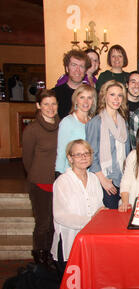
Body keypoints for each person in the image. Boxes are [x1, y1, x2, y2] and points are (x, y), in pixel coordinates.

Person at [51, 139, 104, 271]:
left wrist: (103, 213)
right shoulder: (62, 181)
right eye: (78, 154)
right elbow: (60, 216)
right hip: (69, 242)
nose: (84, 157)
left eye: (87, 153)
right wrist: (90, 221)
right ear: (70, 158)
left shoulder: (94, 179)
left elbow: (99, 207)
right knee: (68, 288)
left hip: (90, 242)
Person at [22, 89, 60, 269]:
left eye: (53, 103)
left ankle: (50, 254)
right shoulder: (32, 129)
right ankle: (39, 256)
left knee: (54, 223)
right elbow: (27, 159)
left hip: (58, 183)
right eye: (46, 104)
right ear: (38, 106)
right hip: (40, 183)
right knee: (43, 223)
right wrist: (37, 176)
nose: (50, 108)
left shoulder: (62, 124)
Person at [86, 80, 131, 209]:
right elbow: (91, 154)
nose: (116, 99)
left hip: (121, 179)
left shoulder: (124, 122)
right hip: (105, 180)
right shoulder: (96, 122)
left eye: (120, 95)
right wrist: (103, 180)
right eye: (112, 95)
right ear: (104, 96)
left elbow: (127, 154)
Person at [55, 84, 97, 176]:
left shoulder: (94, 122)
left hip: (89, 174)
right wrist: (59, 174)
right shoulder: (67, 122)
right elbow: (61, 151)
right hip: (70, 173)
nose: (86, 101)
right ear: (76, 100)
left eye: (89, 97)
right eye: (82, 97)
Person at [52, 50, 91, 119]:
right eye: (74, 65)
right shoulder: (55, 94)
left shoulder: (91, 94)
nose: (77, 70)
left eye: (81, 66)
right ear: (67, 68)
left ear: (85, 71)